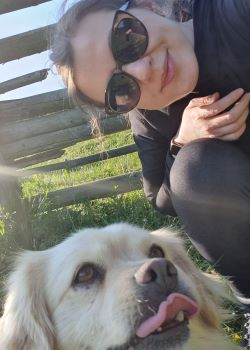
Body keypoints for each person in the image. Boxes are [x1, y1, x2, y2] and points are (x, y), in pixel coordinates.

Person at [50, 0, 250, 346]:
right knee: (192, 173)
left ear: (147, 5)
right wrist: (180, 142)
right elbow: (160, 198)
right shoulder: (148, 117)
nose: (143, 72)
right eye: (122, 88)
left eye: (126, 39)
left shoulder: (234, 14)